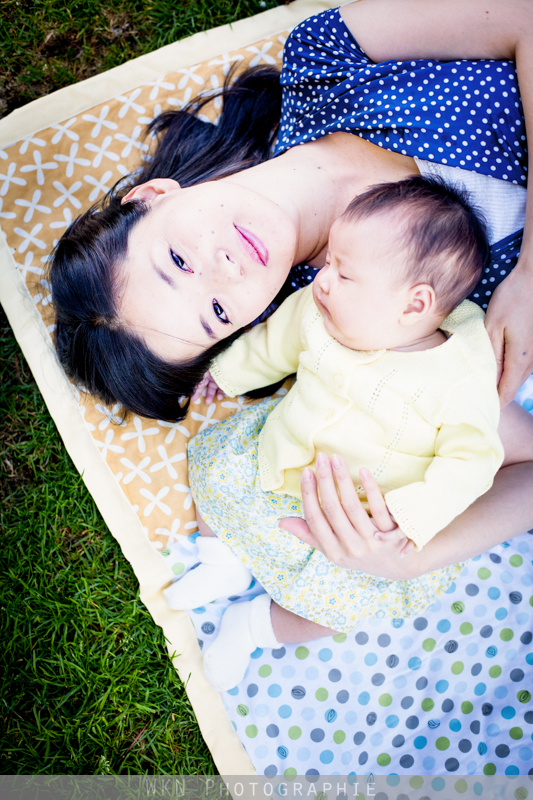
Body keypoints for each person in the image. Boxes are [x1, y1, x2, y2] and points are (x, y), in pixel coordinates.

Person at [48, 2, 533, 600]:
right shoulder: (364, 328)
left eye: (178, 260)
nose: (225, 273)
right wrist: (408, 558)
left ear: (150, 196)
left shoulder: (326, 61)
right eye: (219, 314)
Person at [163, 176, 508, 691]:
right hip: (281, 458)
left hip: (357, 523)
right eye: (329, 263)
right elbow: (276, 344)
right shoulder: (321, 312)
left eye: (343, 273)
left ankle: (255, 626)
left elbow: (474, 459)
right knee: (217, 468)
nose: (322, 280)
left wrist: (413, 515)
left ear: (413, 305)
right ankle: (222, 562)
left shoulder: (458, 377)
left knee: (349, 605)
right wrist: (230, 373)